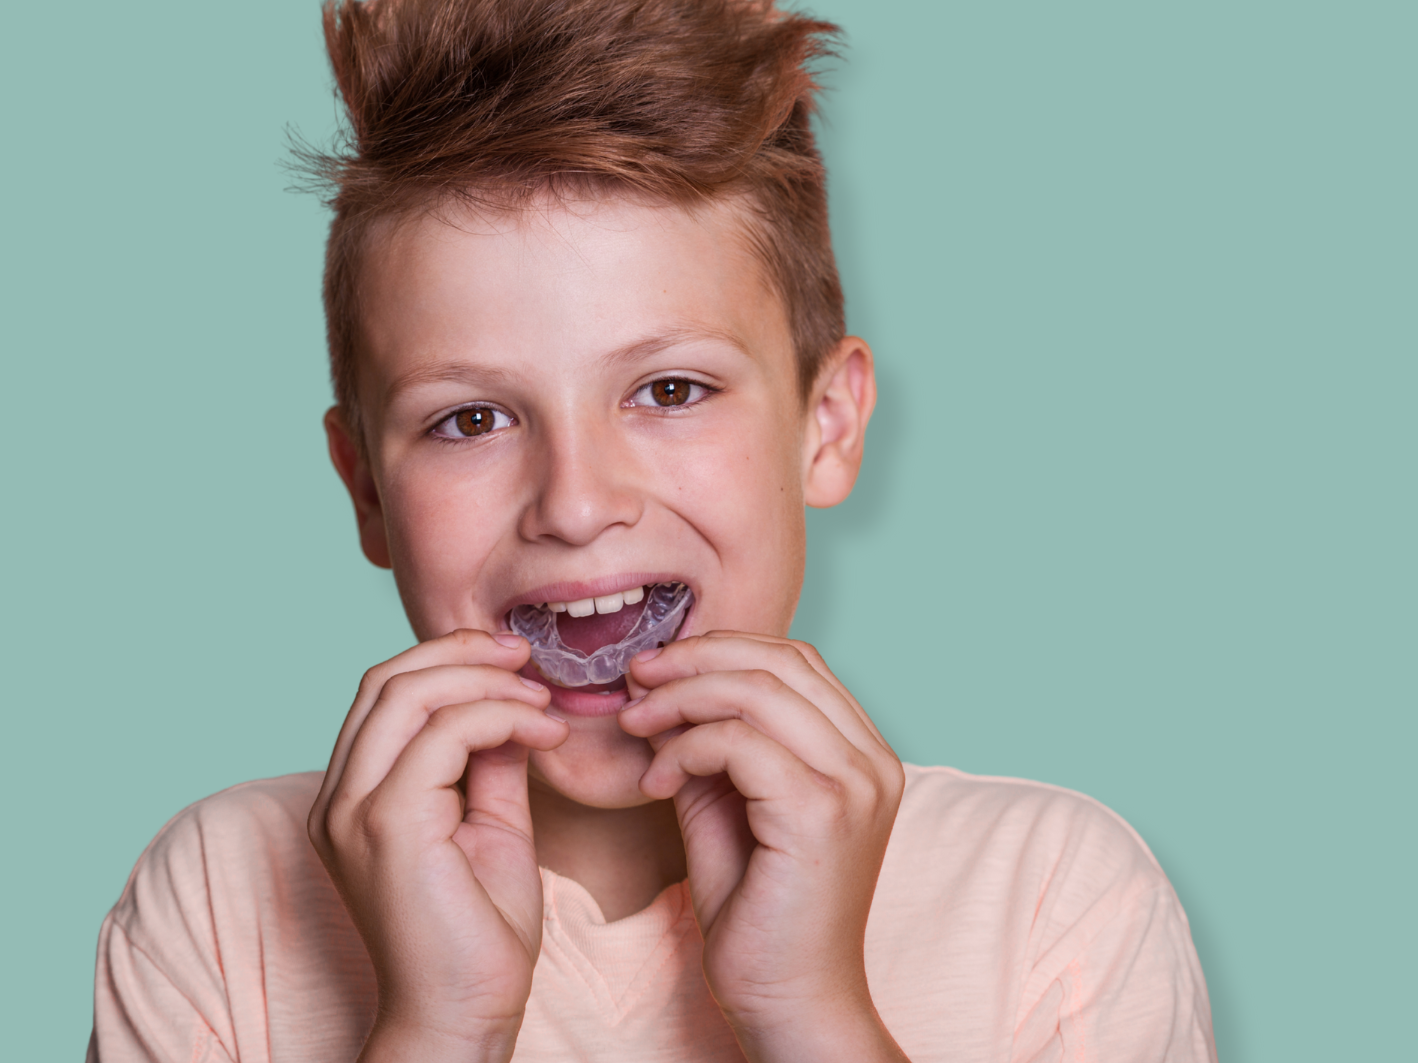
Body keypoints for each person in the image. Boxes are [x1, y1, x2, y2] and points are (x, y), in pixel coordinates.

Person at [89, 1, 1217, 1060]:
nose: (576, 504)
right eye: (470, 418)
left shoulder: (1051, 894)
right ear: (366, 492)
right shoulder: (221, 895)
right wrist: (440, 1026)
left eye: (669, 391)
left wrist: (809, 1013)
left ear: (823, 427)